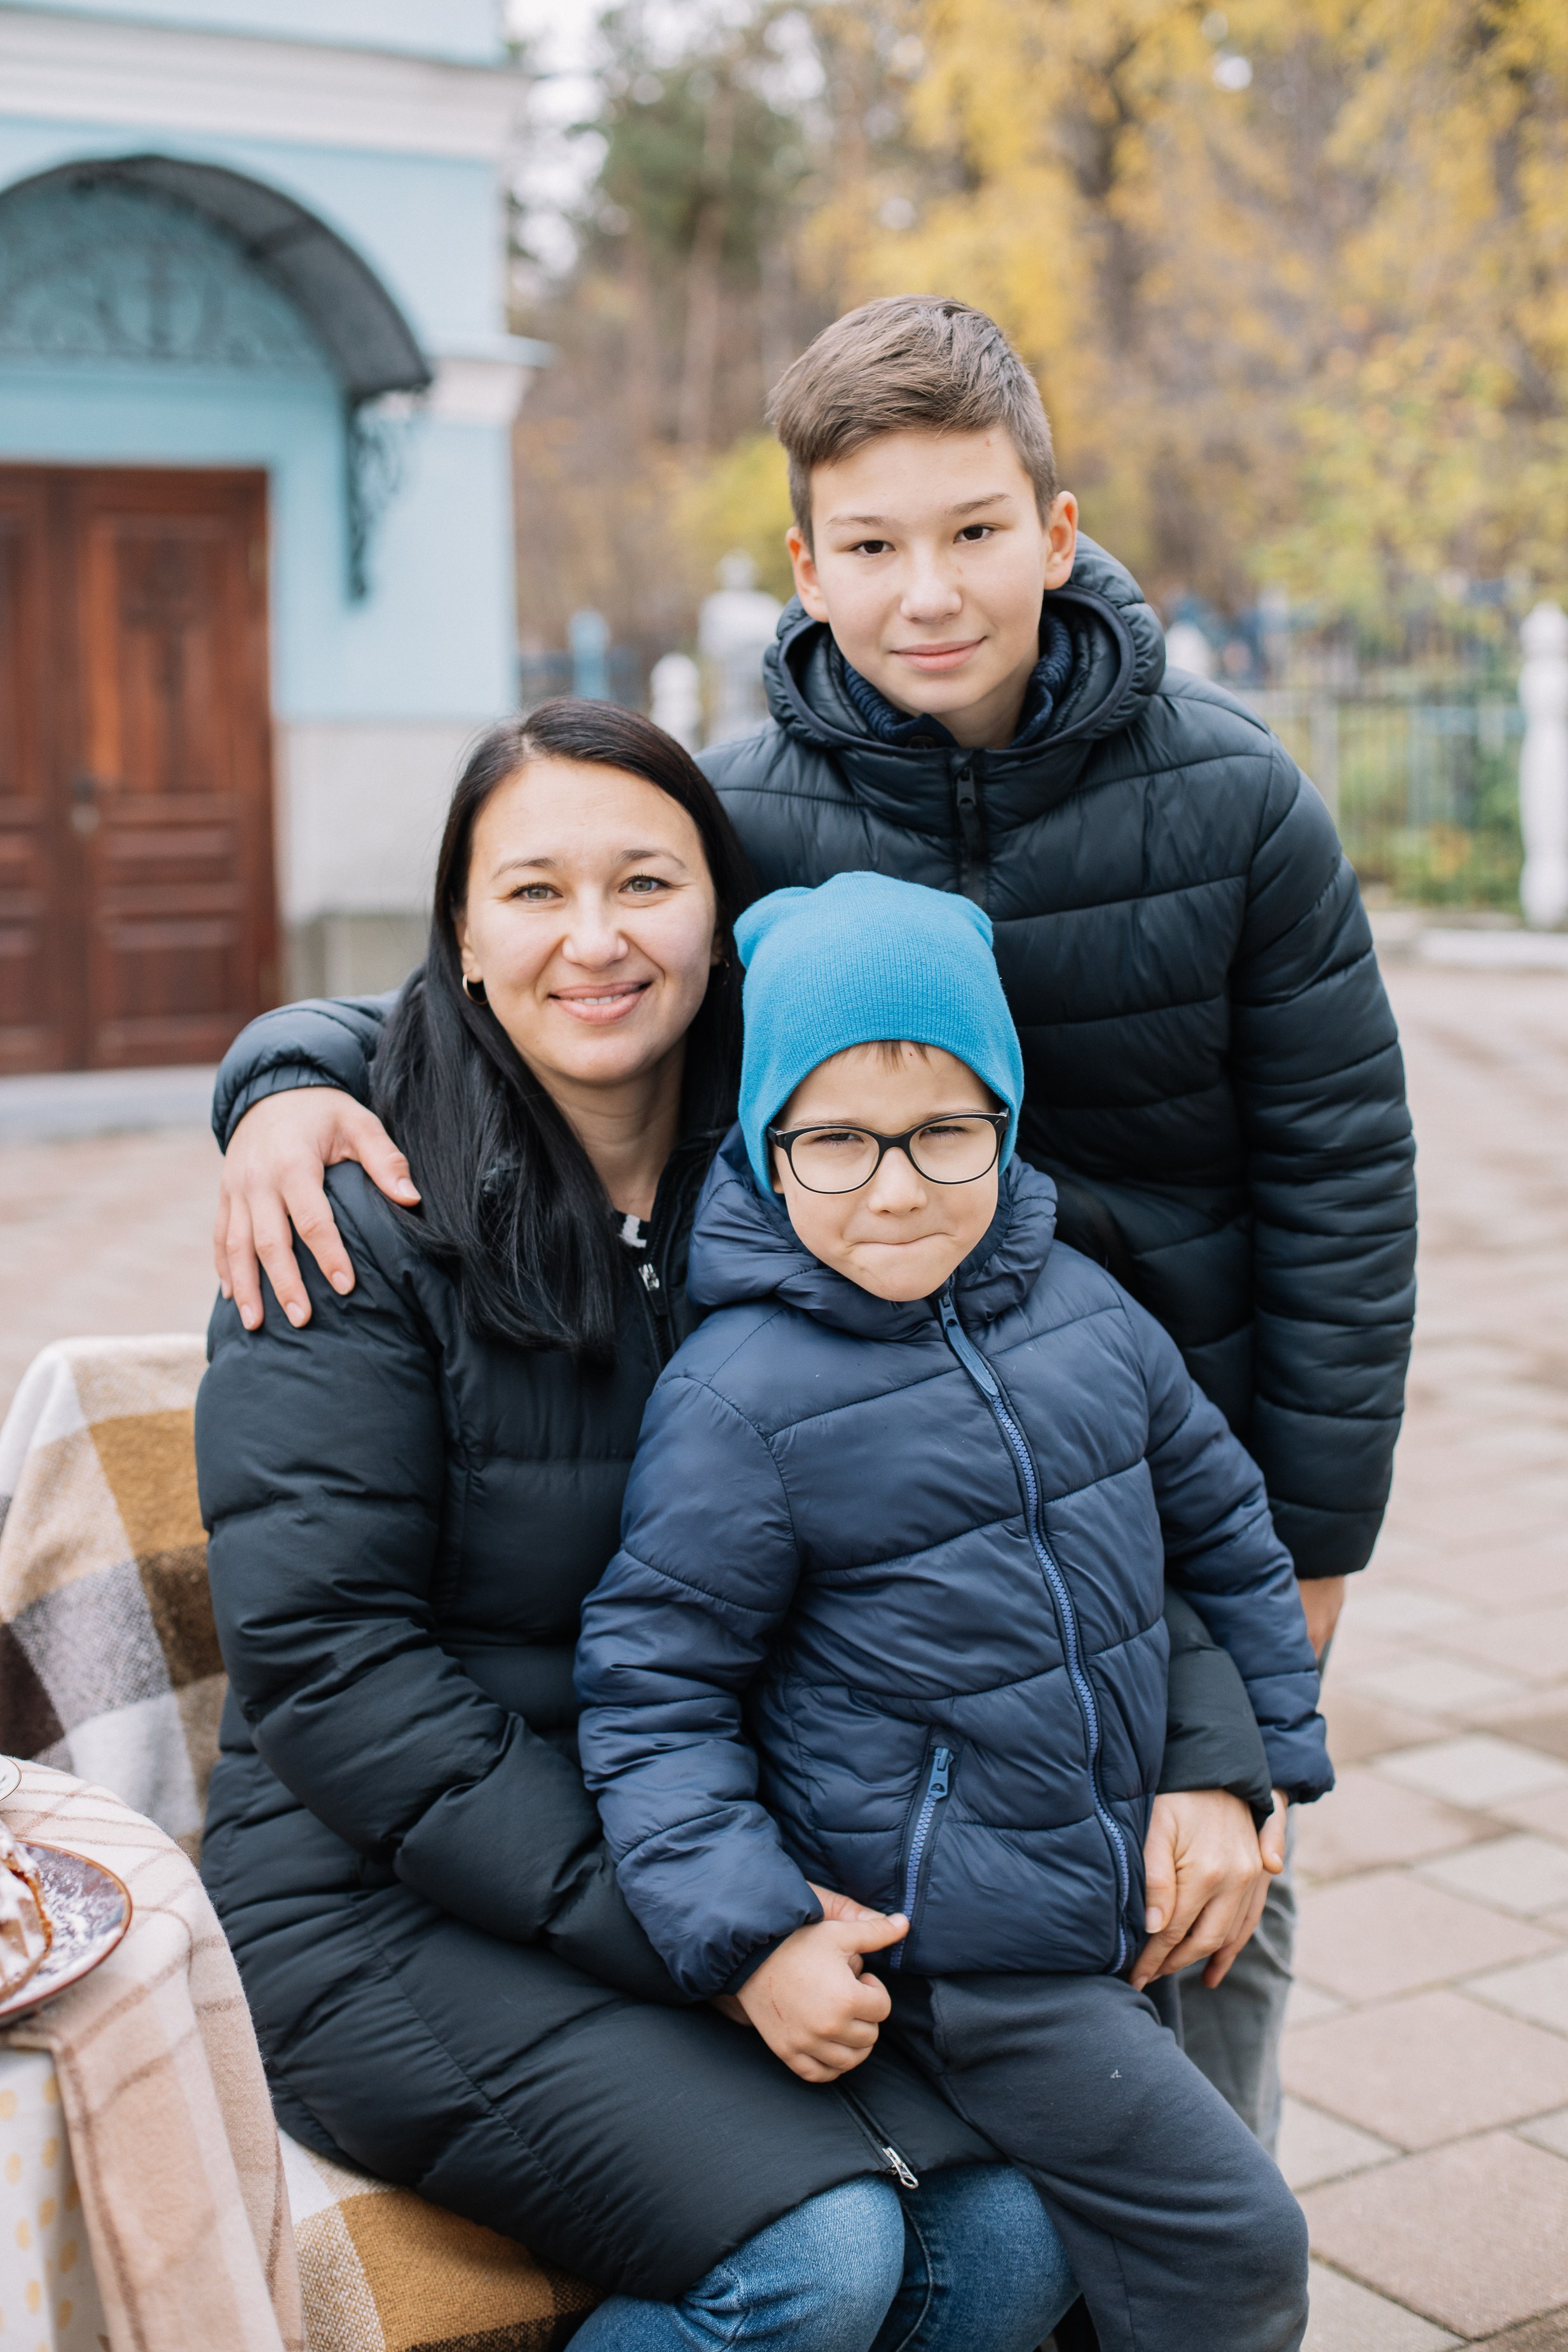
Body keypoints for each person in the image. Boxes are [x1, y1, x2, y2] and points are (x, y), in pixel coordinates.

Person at [209, 296, 1416, 2145]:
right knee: (962, 1953)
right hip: (888, 1490)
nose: (926, 589)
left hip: (1167, 1467)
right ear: (804, 562)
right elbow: (523, 972)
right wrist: (286, 1072)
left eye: (972, 531)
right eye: (870, 546)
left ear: (1056, 529)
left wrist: (1307, 1551)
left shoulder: (1236, 800)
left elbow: (1341, 1178)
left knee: (1202, 1938)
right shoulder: (752, 809)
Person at [197, 701, 1279, 2352]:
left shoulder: (805, 1172)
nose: (594, 938)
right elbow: (327, 1666)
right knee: (818, 2258)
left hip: (709, 1842)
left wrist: (1208, 1742)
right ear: (463, 937)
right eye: (532, 892)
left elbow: (1064, 1466)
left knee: (1008, 2231)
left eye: (645, 881)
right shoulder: (353, 1221)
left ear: (722, 921)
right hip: (388, 1894)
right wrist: (718, 1932)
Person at [575, 872, 1330, 2352]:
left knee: (1103, 2270)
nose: (899, 1185)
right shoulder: (742, 1396)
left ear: (1006, 1121)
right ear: (764, 1144)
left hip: (1111, 1889)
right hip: (967, 1953)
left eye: (944, 1130)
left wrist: (1248, 1769)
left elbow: (1225, 1530)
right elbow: (653, 1687)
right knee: (1234, 2240)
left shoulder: (1090, 1310)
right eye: (837, 1140)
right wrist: (750, 1935)